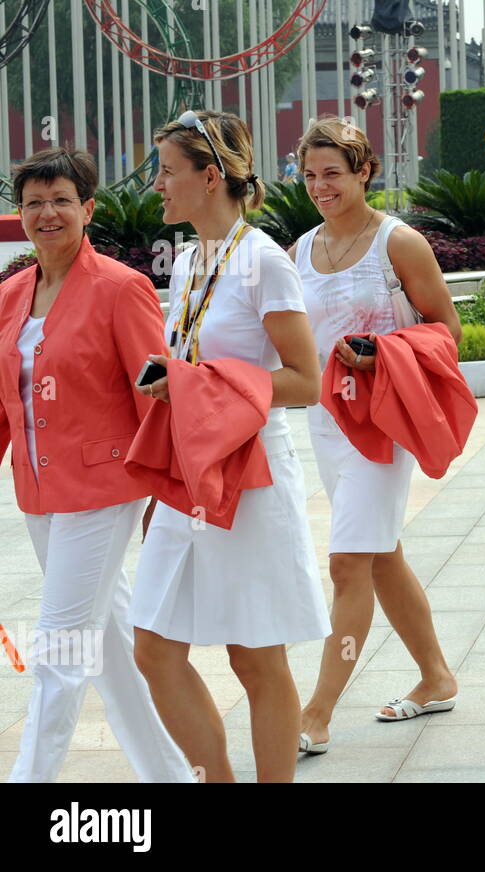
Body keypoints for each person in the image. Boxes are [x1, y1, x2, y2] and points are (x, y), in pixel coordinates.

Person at [130, 110, 331, 782]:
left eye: (167, 170)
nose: (156, 183)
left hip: (250, 474)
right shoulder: (190, 259)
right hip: (189, 471)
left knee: (256, 656)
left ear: (209, 176)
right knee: (154, 647)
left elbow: (307, 380)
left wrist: (199, 385)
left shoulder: (264, 260)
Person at [0, 147, 191, 783]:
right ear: (18, 213)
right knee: (106, 647)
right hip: (39, 490)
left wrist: (165, 491)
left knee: (58, 647)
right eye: (34, 203)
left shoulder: (119, 287)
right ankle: (169, 773)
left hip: (105, 489)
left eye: (61, 200)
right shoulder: (10, 296)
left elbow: (155, 393)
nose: (46, 213)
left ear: (87, 209)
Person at [291, 116, 463, 755]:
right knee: (380, 551)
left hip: (382, 425)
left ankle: (316, 712)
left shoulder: (400, 243)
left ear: (365, 171)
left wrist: (379, 356)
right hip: (326, 424)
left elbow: (448, 331)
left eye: (333, 173)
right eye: (310, 175)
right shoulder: (298, 250)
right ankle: (436, 675)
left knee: (348, 564)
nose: (320, 186)